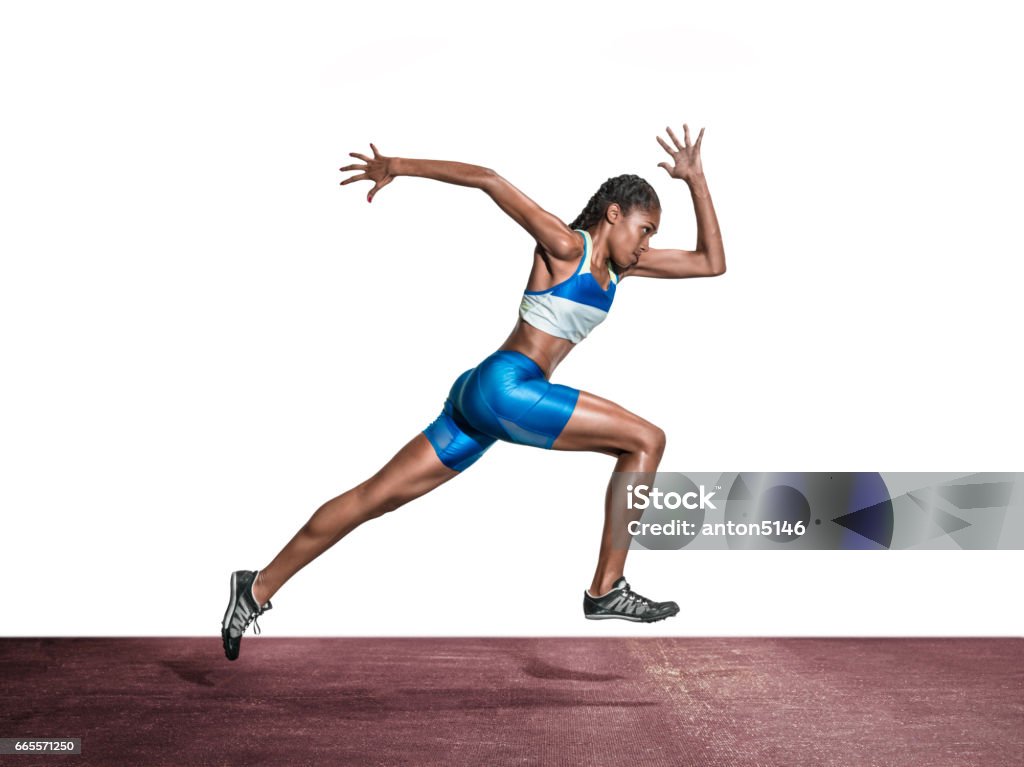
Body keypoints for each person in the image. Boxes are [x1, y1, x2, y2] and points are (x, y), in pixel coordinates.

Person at [221, 123, 726, 660]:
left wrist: (696, 180)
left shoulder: (625, 270)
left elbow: (711, 263)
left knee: (375, 497)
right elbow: (489, 180)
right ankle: (606, 588)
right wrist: (397, 166)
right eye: (645, 229)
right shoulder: (563, 244)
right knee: (647, 440)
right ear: (614, 214)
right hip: (508, 386)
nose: (647, 243)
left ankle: (256, 586)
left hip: (480, 398)